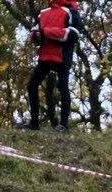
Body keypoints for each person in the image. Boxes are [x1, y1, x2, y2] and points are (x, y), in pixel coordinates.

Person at [26, 0, 83, 131]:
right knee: (31, 85)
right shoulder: (43, 13)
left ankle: (63, 125)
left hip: (63, 57)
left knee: (63, 89)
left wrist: (47, 32)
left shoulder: (71, 11)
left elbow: (74, 34)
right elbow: (34, 32)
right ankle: (34, 123)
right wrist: (36, 36)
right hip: (45, 56)